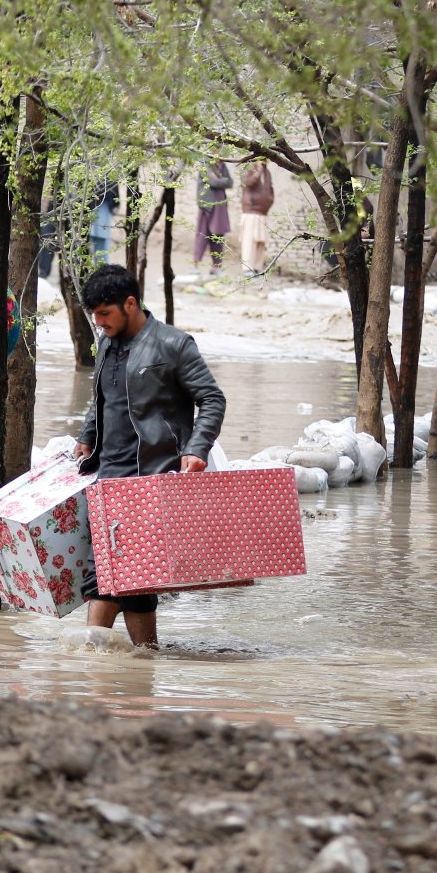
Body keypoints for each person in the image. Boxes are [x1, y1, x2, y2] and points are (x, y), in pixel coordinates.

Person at [73, 265, 226, 647]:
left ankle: (88, 665)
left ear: (130, 303)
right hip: (108, 475)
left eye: (105, 314)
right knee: (133, 578)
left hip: (151, 477)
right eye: (95, 316)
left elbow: (211, 399)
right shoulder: (107, 342)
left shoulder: (174, 345)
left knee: (106, 574)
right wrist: (87, 436)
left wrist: (196, 448)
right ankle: (146, 661)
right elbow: (101, 399)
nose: (100, 322)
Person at [193, 159, 233, 274]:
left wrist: (220, 180)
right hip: (207, 206)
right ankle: (195, 266)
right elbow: (213, 183)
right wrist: (221, 180)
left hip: (220, 207)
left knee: (218, 236)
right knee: (202, 235)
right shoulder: (205, 164)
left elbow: (230, 182)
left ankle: (216, 267)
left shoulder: (222, 165)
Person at [239, 159, 274, 276]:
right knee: (249, 240)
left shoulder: (267, 171)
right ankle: (247, 268)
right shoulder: (249, 169)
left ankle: (257, 268)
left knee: (261, 241)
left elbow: (270, 188)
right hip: (251, 211)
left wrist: (269, 200)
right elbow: (248, 183)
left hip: (262, 212)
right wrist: (258, 170)